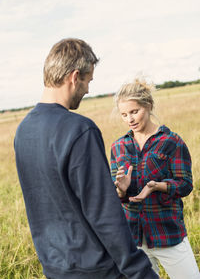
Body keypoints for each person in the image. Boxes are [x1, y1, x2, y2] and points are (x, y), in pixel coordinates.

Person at [14, 39, 159, 279]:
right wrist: (140, 271)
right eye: (88, 81)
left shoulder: (23, 130)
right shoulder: (79, 130)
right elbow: (103, 211)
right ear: (74, 77)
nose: (88, 90)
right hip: (98, 270)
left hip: (54, 268)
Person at [110, 79, 200, 279]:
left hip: (167, 233)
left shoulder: (171, 141)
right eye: (124, 115)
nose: (130, 119)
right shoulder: (118, 147)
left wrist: (157, 186)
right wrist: (121, 189)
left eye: (134, 112)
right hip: (133, 238)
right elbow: (115, 195)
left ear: (148, 106)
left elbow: (185, 184)